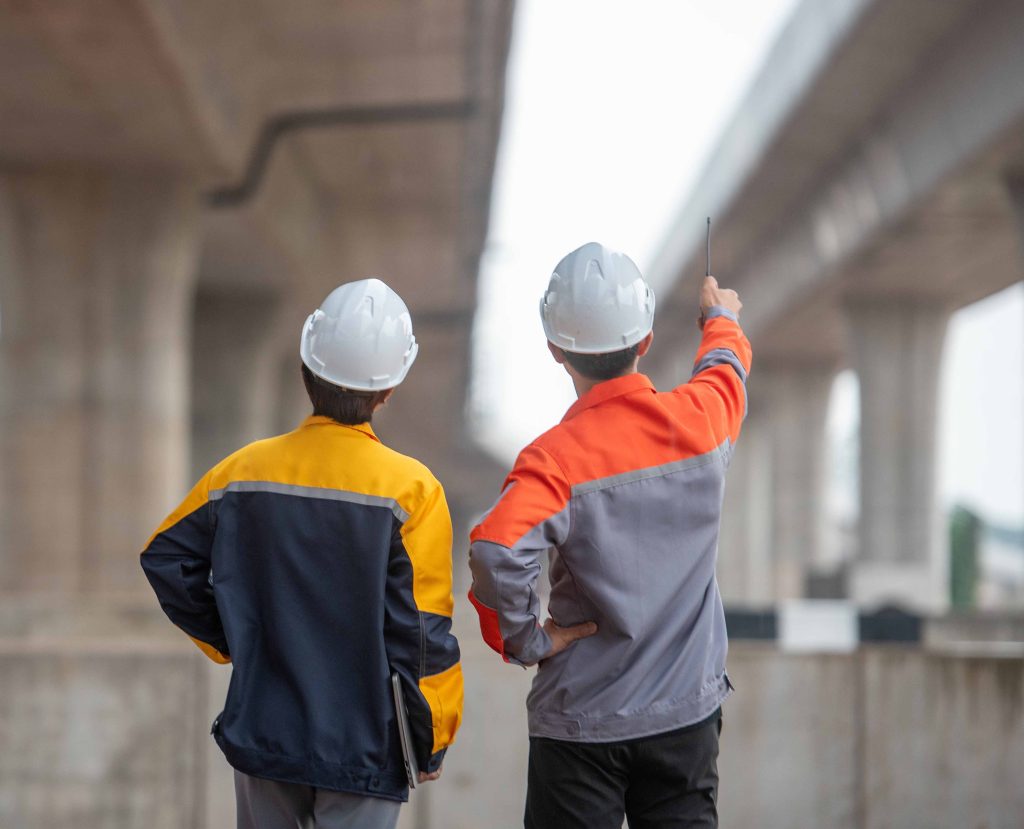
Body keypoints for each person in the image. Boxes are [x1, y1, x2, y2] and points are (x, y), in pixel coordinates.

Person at [141, 279, 463, 829]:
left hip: (264, 730)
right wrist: (429, 737)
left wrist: (236, 639)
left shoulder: (239, 471)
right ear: (389, 391)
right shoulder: (413, 490)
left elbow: (167, 559)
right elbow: (422, 632)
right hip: (365, 744)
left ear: (306, 371)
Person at [468, 242, 751, 829]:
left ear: (556, 350)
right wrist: (719, 316)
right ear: (645, 341)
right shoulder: (700, 422)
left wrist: (529, 640)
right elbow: (725, 368)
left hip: (580, 721)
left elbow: (496, 550)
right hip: (683, 716)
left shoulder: (552, 460)